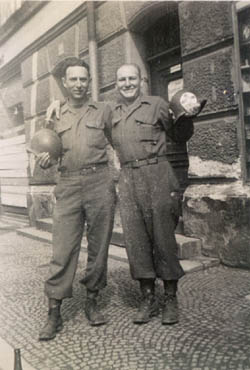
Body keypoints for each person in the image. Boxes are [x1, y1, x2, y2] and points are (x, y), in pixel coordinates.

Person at [47, 63, 200, 326]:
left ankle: (170, 298)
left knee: (163, 237)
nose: (127, 83)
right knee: (136, 241)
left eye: (131, 78)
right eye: (122, 80)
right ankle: (148, 297)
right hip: (127, 178)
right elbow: (68, 126)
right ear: (116, 84)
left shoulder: (155, 105)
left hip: (157, 174)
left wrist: (187, 117)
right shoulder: (110, 110)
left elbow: (178, 134)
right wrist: (56, 103)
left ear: (141, 80)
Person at [36, 57, 116, 341]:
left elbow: (123, 134)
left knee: (99, 245)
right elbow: (44, 158)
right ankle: (54, 312)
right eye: (74, 79)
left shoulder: (104, 111)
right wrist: (45, 161)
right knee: (63, 248)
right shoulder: (54, 116)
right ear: (65, 83)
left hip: (99, 182)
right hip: (68, 184)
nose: (79, 84)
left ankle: (92, 300)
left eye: (84, 79)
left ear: (89, 82)